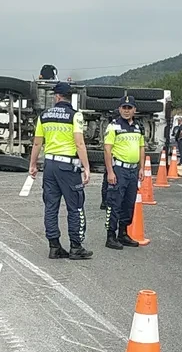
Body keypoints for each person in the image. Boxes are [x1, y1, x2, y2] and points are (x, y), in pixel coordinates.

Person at [28, 82, 92, 260]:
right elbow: (79, 143)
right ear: (69, 96)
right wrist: (86, 167)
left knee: (51, 206)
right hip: (68, 166)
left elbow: (37, 142)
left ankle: (54, 246)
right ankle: (76, 247)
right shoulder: (75, 115)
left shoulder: (44, 115)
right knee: (75, 206)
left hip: (49, 165)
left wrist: (32, 164)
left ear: (56, 97)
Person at [103, 95, 144, 250]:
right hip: (119, 169)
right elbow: (107, 150)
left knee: (129, 203)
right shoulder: (113, 126)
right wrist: (110, 172)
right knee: (115, 203)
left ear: (135, 109)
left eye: (129, 108)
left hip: (133, 171)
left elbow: (141, 148)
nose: (126, 111)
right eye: (124, 107)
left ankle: (123, 233)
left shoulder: (138, 127)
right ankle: (111, 236)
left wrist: (141, 168)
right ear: (119, 109)